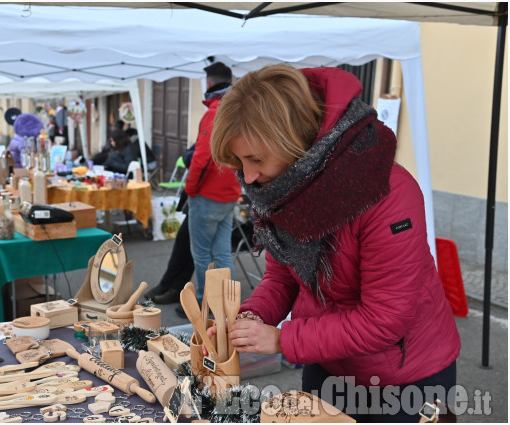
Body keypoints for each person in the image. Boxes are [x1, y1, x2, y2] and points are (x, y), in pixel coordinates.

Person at [208, 64, 461, 422]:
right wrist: (252, 317)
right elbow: (283, 278)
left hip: (406, 380)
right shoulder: (286, 186)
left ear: (293, 142)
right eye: (239, 161)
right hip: (328, 363)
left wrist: (282, 340)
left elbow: (384, 320)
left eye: (255, 160)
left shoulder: (388, 193)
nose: (248, 177)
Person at [184, 61, 241, 306]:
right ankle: (229, 303)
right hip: (229, 193)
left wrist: (190, 188)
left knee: (202, 254)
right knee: (222, 252)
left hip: (208, 195)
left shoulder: (215, 112)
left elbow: (202, 156)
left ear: (208, 83)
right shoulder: (239, 110)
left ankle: (204, 304)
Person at [144, 144, 196, 304]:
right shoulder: (209, 126)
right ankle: (169, 285)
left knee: (193, 247)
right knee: (185, 244)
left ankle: (177, 288)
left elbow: (194, 158)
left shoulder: (217, 128)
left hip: (211, 198)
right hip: (201, 196)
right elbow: (187, 155)